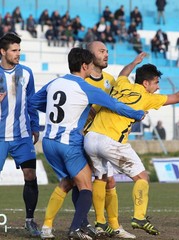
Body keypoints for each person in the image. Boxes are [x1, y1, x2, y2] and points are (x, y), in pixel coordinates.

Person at [84, 52, 179, 236]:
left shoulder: (122, 84)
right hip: (111, 141)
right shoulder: (147, 97)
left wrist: (134, 62)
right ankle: (139, 217)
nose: (157, 88)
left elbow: (123, 73)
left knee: (101, 178)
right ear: (146, 83)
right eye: (156, 83)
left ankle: (100, 223)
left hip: (91, 137)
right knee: (142, 177)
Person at [32, 47, 145, 240]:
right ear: (84, 66)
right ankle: (75, 228)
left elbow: (33, 101)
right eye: (91, 65)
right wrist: (137, 114)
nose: (92, 68)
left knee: (69, 183)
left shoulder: (55, 82)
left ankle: (51, 227)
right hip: (69, 143)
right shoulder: (85, 87)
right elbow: (115, 105)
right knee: (86, 187)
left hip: (48, 143)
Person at [0, 32, 40, 237]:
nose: (18, 54)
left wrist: (35, 126)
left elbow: (32, 102)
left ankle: (30, 220)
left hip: (23, 135)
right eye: (14, 51)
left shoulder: (27, 73)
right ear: (3, 52)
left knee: (31, 176)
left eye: (19, 50)